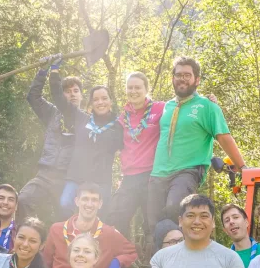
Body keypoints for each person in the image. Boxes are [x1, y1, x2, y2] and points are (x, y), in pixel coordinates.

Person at [147, 58, 246, 230]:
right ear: (172, 78)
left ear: (197, 80)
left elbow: (223, 137)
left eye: (187, 75)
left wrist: (242, 167)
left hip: (188, 170)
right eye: (178, 75)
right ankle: (157, 257)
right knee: (152, 223)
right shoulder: (166, 107)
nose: (182, 79)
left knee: (175, 209)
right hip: (158, 172)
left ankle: (184, 253)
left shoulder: (207, 106)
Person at [18, 59, 84, 225]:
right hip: (45, 174)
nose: (73, 94)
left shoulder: (87, 121)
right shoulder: (52, 113)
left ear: (82, 95)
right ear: (60, 95)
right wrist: (43, 71)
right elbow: (33, 97)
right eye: (68, 92)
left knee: (67, 218)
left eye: (76, 91)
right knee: (23, 200)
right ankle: (31, 239)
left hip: (68, 179)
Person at [52, 71, 124, 218]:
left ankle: (91, 241)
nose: (100, 102)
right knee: (65, 204)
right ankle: (72, 238)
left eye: (104, 98)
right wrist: (54, 72)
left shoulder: (118, 125)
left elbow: (126, 150)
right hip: (76, 176)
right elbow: (59, 99)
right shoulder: (81, 118)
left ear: (111, 101)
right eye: (96, 99)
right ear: (91, 103)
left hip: (101, 180)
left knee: (100, 216)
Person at [108, 72, 166, 237]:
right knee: (115, 218)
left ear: (146, 89)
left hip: (152, 175)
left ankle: (154, 261)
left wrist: (208, 102)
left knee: (153, 223)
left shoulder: (160, 108)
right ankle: (127, 260)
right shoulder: (123, 117)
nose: (133, 91)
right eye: (130, 87)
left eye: (138, 87)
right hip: (129, 177)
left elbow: (184, 105)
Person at [43, 183, 137, 268]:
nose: (89, 204)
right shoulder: (57, 230)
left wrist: (117, 262)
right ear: (77, 201)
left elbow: (133, 254)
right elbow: (45, 263)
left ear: (100, 204)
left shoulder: (109, 233)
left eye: (94, 200)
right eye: (85, 199)